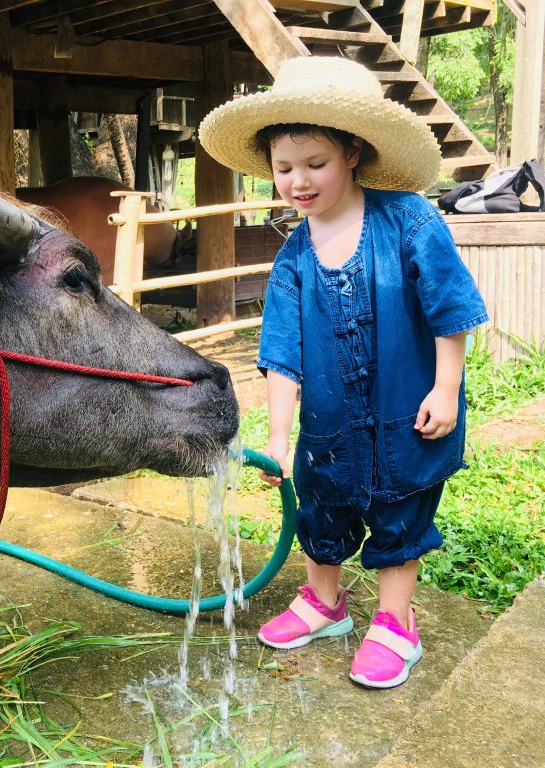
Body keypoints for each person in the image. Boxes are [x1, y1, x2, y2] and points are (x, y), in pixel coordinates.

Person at [198, 57, 488, 689]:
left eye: (315, 164)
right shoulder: (292, 259)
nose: (298, 182)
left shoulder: (409, 220)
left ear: (353, 152)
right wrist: (278, 436)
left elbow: (450, 308)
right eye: (283, 168)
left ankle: (394, 621)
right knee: (321, 509)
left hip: (409, 413)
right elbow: (281, 353)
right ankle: (323, 601)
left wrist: (445, 386)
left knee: (399, 512)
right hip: (328, 429)